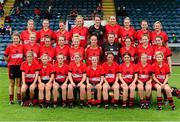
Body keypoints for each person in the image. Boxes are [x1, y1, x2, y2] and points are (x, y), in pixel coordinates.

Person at [4, 33, 23, 104]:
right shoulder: (9, 47)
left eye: (17, 39)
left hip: (19, 67)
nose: (15, 40)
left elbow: (24, 56)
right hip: (12, 67)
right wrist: (9, 62)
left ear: (19, 39)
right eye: (14, 39)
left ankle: (19, 99)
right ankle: (11, 100)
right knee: (12, 83)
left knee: (18, 83)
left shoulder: (22, 47)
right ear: (12, 39)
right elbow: (5, 57)